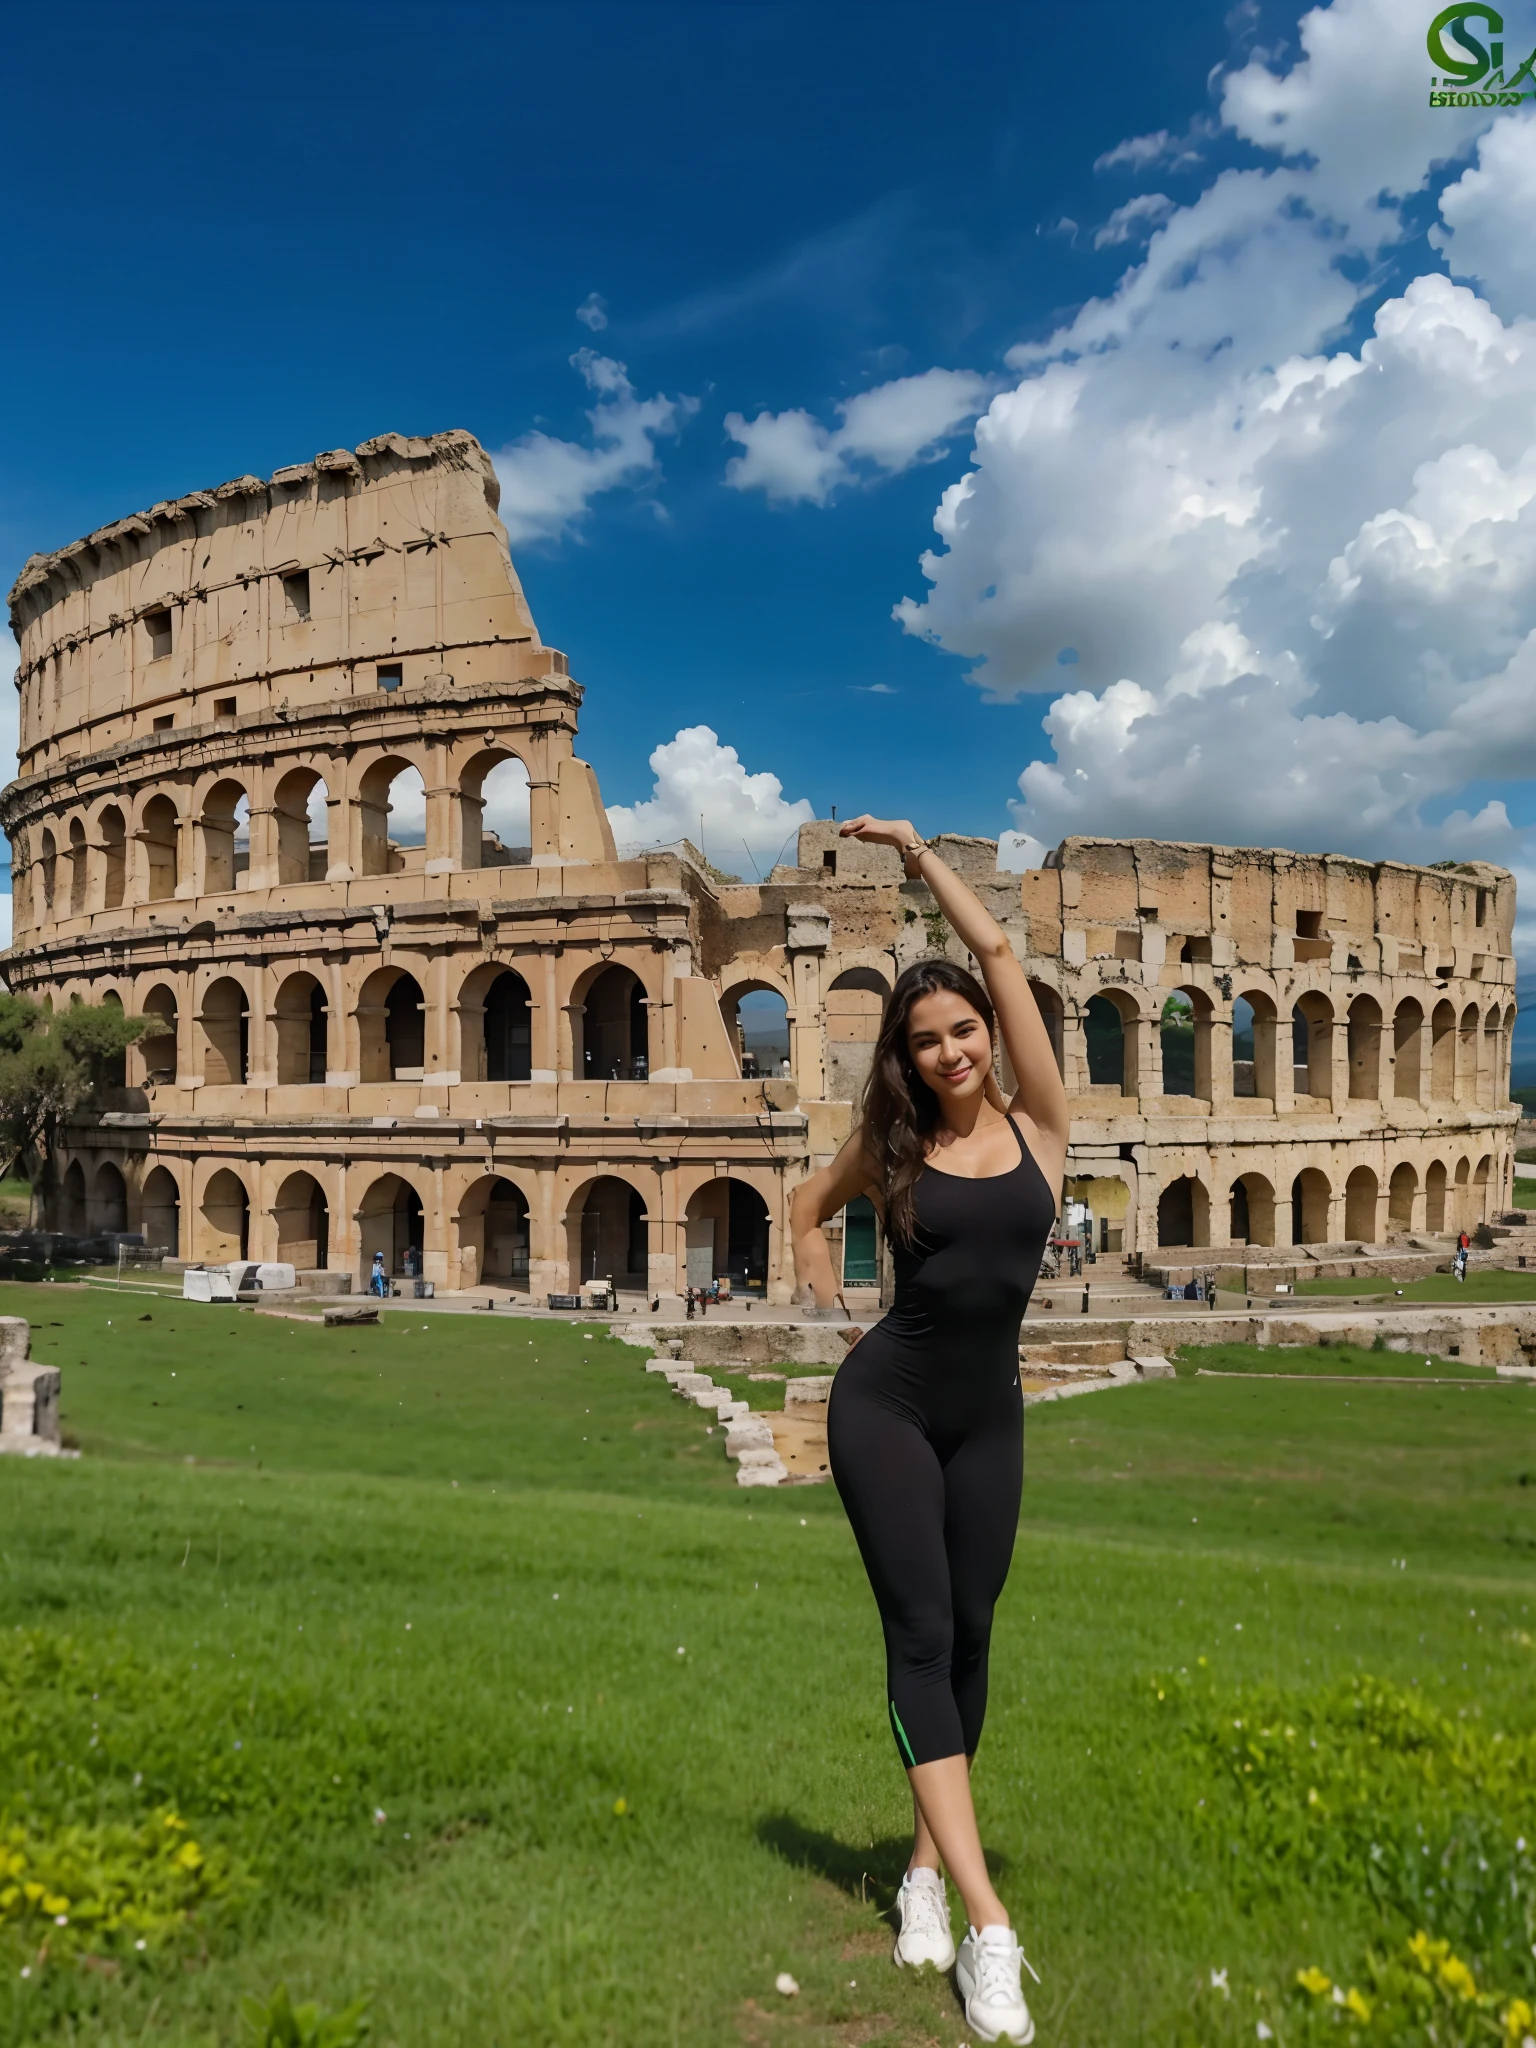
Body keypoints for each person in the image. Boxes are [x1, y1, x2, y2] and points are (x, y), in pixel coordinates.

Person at [790, 816, 1069, 2047]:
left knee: (972, 1640)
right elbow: (805, 1211)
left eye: (963, 1029)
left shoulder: (1043, 1125)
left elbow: (1002, 952)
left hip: (990, 1413)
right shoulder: (895, 1143)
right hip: (887, 1407)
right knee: (919, 1634)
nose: (953, 1048)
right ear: (903, 1057)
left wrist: (916, 858)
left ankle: (917, 1869)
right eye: (927, 1038)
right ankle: (985, 1924)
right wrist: (839, 1321)